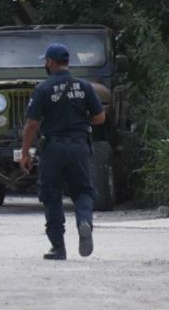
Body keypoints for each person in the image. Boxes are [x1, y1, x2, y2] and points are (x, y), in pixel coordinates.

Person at [21, 43, 106, 261]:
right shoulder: (85, 86)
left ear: (50, 62)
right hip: (79, 146)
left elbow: (31, 124)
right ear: (67, 62)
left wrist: (25, 153)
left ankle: (58, 247)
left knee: (52, 195)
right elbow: (100, 117)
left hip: (53, 148)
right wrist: (79, 121)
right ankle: (84, 221)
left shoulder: (43, 89)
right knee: (83, 191)